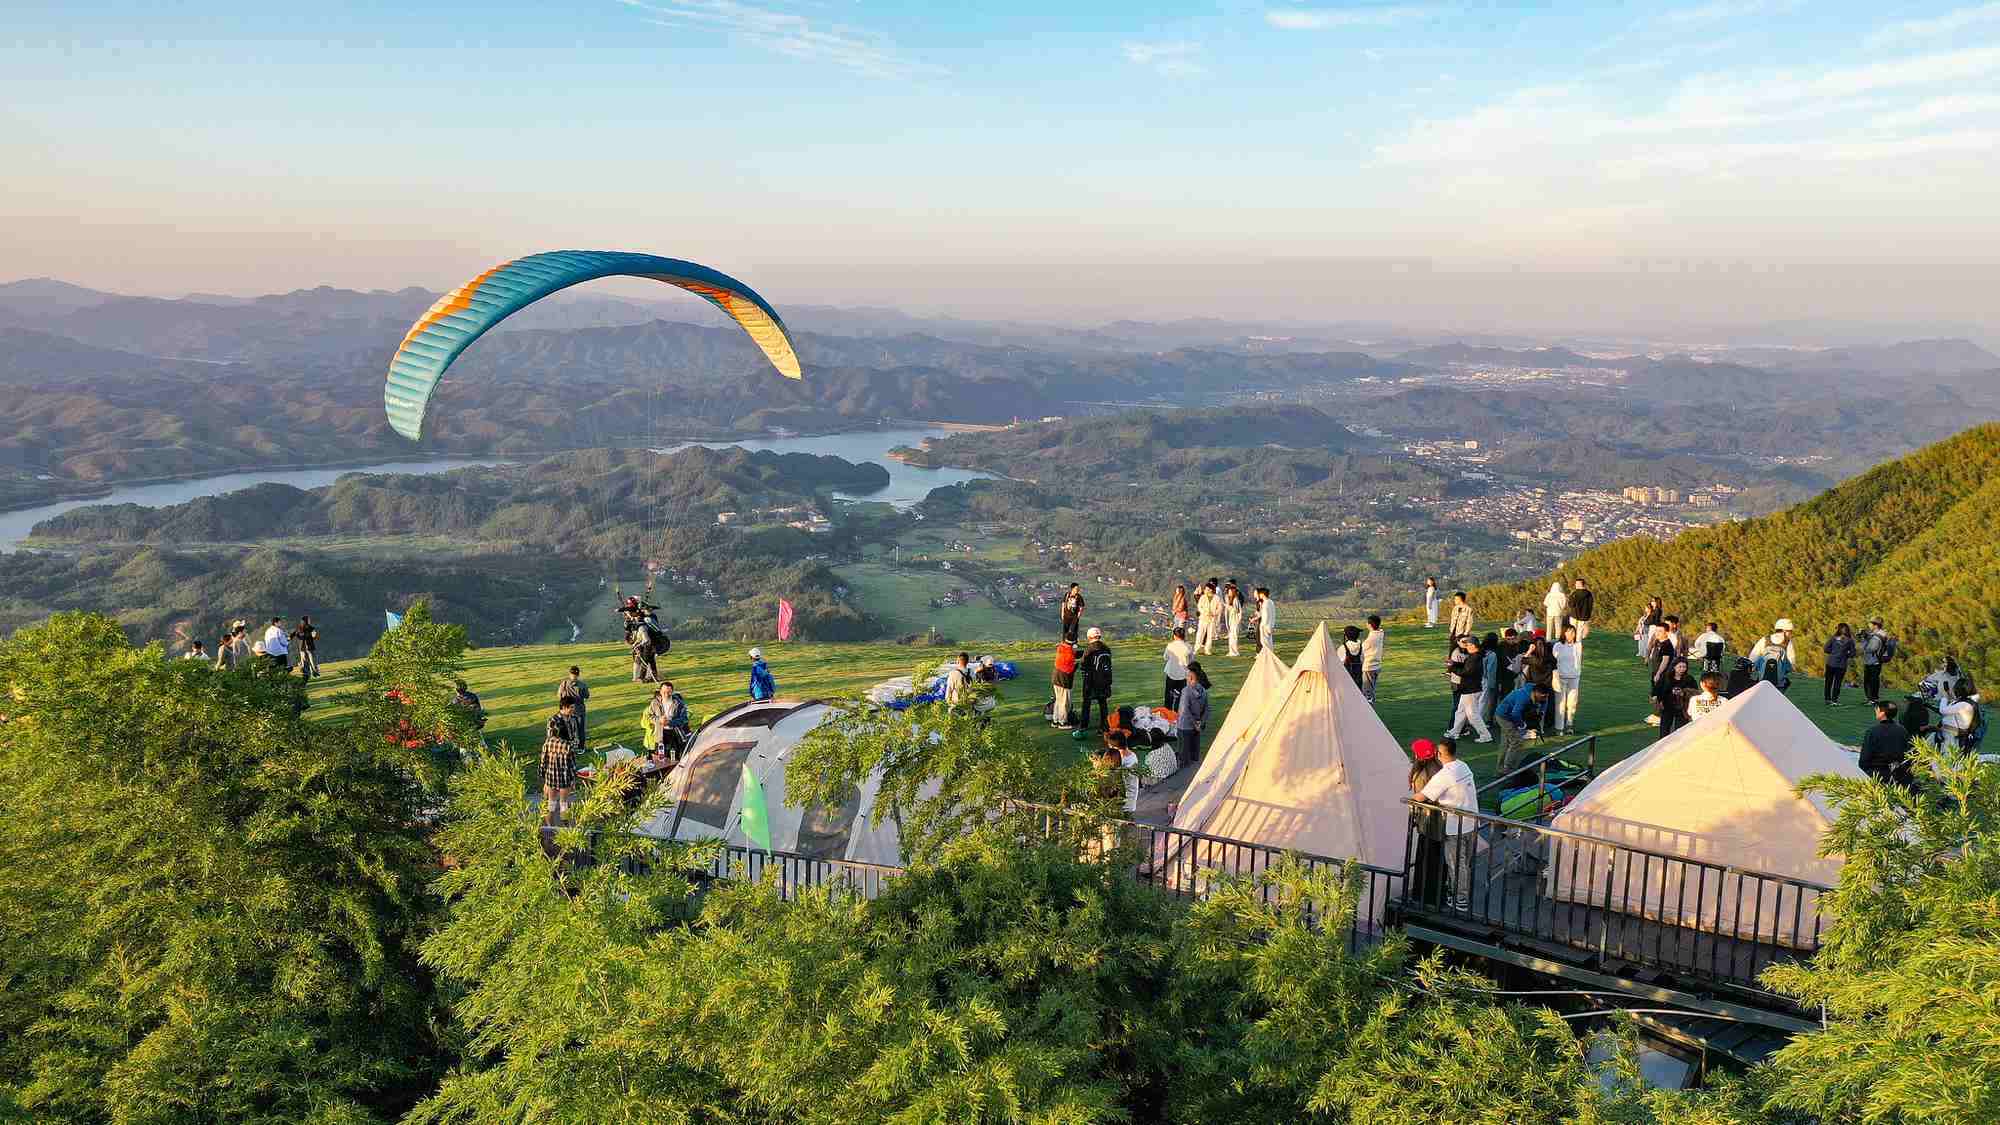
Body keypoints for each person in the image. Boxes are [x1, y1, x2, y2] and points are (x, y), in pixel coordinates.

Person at [1418, 737, 1480, 911]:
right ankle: (1459, 893)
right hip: (1471, 822)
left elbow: (1422, 796)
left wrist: (1410, 799)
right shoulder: (1463, 766)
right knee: (1464, 863)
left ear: (1439, 754)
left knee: (1456, 864)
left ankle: (1460, 898)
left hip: (1455, 827)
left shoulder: (1444, 775)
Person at [1408, 755, 1449, 908]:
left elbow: (1421, 797)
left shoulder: (1422, 773)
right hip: (1441, 823)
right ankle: (1438, 895)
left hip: (1429, 823)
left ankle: (1423, 896)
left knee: (1425, 861)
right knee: (1439, 861)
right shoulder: (1440, 768)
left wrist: (1414, 803)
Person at [1495, 683, 1552, 779]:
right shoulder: (1523, 697)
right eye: (1543, 697)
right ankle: (1508, 770)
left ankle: (1501, 770)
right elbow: (1515, 713)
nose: (1545, 699)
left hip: (1510, 716)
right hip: (1504, 717)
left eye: (1546, 696)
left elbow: (1544, 703)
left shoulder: (1540, 695)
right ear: (1536, 693)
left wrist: (1541, 713)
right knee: (1516, 742)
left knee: (1506, 743)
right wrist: (1522, 725)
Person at [1444, 634, 1493, 743]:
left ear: (1473, 645)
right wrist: (1454, 663)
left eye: (1468, 645)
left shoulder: (1475, 657)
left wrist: (1452, 668)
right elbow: (1465, 667)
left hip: (1471, 690)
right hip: (1468, 689)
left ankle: (1485, 735)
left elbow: (1466, 672)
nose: (1466, 647)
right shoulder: (1474, 656)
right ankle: (1454, 732)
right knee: (1460, 712)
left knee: (1472, 715)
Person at [540, 698, 580, 827]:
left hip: (551, 775)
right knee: (563, 803)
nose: (573, 710)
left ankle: (549, 826)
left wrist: (544, 778)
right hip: (564, 775)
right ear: (564, 707)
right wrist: (573, 779)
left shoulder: (548, 744)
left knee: (551, 803)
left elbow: (543, 760)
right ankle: (566, 826)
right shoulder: (567, 747)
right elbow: (572, 765)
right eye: (571, 707)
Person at [1859, 701, 1913, 787]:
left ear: (1882, 713)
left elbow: (1864, 761)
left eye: (1877, 710)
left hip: (1878, 775)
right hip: (1900, 775)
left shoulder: (1872, 731)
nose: (1876, 711)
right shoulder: (1902, 730)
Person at [1175, 661, 1210, 770]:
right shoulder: (1203, 690)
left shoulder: (1186, 691)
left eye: (1187, 676)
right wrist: (1200, 723)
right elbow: (1207, 709)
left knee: (1184, 753)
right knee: (1194, 754)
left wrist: (1194, 724)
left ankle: (1184, 771)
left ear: (1191, 678)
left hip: (1185, 726)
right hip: (1197, 726)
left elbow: (1185, 710)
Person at [646, 680, 690, 762]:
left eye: (669, 692)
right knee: (661, 758)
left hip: (675, 734)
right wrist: (659, 719)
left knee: (675, 758)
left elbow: (684, 719)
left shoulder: (679, 703)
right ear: (660, 691)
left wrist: (670, 723)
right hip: (660, 734)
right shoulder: (655, 703)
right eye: (664, 692)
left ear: (672, 692)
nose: (666, 694)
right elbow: (650, 717)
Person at [1522, 635, 1557, 734]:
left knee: (1533, 708)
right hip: (1547, 686)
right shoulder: (1550, 658)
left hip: (1535, 686)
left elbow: (1523, 660)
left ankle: (1533, 728)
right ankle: (1543, 726)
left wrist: (1529, 651)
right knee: (1545, 708)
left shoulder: (1533, 659)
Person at [1551, 624, 1583, 734]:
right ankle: (1559, 728)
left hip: (1574, 677)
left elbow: (1583, 630)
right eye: (1569, 631)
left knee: (1572, 703)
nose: (1572, 634)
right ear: (1564, 633)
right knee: (1560, 703)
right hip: (1560, 677)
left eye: (1573, 632)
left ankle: (1569, 724)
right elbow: (1553, 661)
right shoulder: (1558, 645)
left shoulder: (1578, 645)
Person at [1081, 627, 1114, 732]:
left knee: (1086, 703)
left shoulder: (1089, 649)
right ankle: (1104, 726)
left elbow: (1083, 665)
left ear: (1089, 637)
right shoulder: (1106, 648)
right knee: (1103, 704)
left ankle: (1083, 726)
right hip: (1105, 681)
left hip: (1091, 681)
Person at [1749, 619, 1797, 691]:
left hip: (1762, 680)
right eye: (1789, 631)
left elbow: (1752, 658)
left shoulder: (1764, 639)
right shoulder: (1788, 643)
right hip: (1779, 684)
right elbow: (1791, 663)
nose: (1791, 634)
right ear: (1784, 631)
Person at [1656, 658, 1695, 740]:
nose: (1682, 669)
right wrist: (1658, 701)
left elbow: (1695, 693)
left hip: (1682, 708)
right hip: (1667, 707)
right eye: (1680, 667)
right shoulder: (1666, 677)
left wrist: (1683, 694)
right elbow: (1658, 690)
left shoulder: (1689, 679)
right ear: (1674, 667)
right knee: (1664, 730)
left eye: (1684, 667)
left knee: (1680, 731)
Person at [1858, 617, 1894, 704]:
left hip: (1874, 661)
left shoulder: (1878, 636)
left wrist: (1863, 639)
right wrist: (1865, 636)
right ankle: (1871, 698)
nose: (1869, 625)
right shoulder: (1876, 634)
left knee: (1871, 681)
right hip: (1872, 660)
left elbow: (1870, 648)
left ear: (1876, 625)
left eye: (1870, 624)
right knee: (1871, 680)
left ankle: (1872, 699)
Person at [1823, 623, 1857, 706]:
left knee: (1828, 682)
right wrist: (1845, 655)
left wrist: (1833, 652)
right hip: (1841, 665)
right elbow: (1853, 653)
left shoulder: (1833, 638)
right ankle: (1834, 700)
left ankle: (1827, 699)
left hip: (1831, 663)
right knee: (1837, 683)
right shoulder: (1850, 641)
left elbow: (1826, 649)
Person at [556, 665, 590, 749]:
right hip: (577, 710)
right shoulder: (582, 685)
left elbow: (559, 696)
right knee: (578, 730)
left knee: (572, 730)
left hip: (570, 711)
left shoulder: (564, 684)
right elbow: (587, 696)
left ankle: (574, 746)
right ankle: (579, 747)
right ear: (578, 674)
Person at [1162, 627, 1192, 710]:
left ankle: (1167, 711)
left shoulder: (1170, 645)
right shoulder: (1188, 646)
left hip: (1171, 672)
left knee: (1169, 695)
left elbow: (1165, 657)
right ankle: (1177, 712)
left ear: (1174, 636)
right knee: (1180, 696)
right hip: (1183, 674)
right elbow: (1191, 660)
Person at [1051, 638, 1077, 729]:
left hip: (1056, 678)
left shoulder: (1061, 648)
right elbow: (1069, 669)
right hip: (1064, 680)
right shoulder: (1069, 654)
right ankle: (1063, 723)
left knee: (1058, 700)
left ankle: (1055, 721)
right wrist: (1076, 665)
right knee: (1064, 702)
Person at [1361, 615, 1386, 702]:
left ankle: (1369, 706)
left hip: (1369, 667)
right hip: (1377, 666)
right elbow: (1379, 630)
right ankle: (1372, 703)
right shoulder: (1381, 634)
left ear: (1370, 625)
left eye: (1367, 623)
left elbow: (1361, 650)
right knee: (1372, 688)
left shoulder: (1371, 639)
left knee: (1367, 691)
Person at [1194, 580, 1220, 655]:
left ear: (1211, 589)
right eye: (1205, 589)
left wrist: (1214, 613)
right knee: (1200, 634)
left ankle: (1207, 650)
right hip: (1203, 618)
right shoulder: (1203, 597)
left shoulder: (1216, 598)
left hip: (1212, 619)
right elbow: (1199, 607)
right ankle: (1197, 649)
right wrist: (1205, 612)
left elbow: (1219, 608)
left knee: (1209, 635)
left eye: (1207, 589)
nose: (1205, 590)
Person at [1567, 578, 1593, 644]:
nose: (1575, 585)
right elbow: (1590, 606)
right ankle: (1578, 646)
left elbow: (1571, 604)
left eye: (1576, 583)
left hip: (1574, 615)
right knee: (1579, 634)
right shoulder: (1589, 594)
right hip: (1584, 616)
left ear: (1579, 584)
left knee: (1572, 632)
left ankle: (1572, 645)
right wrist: (1588, 616)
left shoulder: (1575, 594)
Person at [1223, 580, 1244, 657]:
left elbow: (1237, 611)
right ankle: (1231, 651)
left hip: (1235, 620)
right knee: (1231, 636)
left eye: (1229, 591)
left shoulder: (1235, 600)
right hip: (1231, 620)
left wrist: (1226, 606)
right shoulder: (1230, 600)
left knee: (1234, 637)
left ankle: (1235, 652)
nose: (1228, 592)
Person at [1253, 587, 1276, 653]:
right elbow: (1273, 614)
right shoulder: (1271, 602)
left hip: (1265, 626)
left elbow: (1265, 616)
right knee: (1269, 643)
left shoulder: (1265, 603)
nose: (1259, 595)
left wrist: (1262, 625)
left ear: (1263, 594)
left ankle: (1267, 656)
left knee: (1264, 643)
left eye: (1260, 594)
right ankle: (1270, 656)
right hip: (1270, 625)